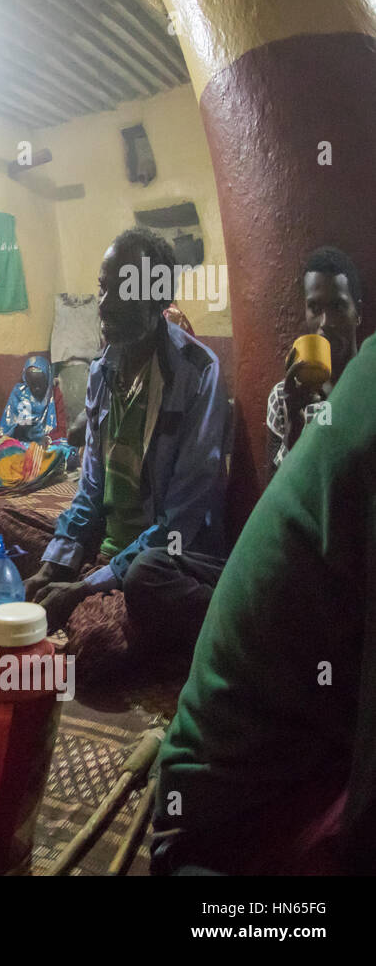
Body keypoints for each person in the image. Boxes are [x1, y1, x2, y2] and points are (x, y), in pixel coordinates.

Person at [153, 326, 376, 875]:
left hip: (299, 717)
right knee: (148, 572)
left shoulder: (348, 376)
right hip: (226, 830)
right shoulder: (288, 394)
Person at [0, 229, 231, 700]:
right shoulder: (103, 371)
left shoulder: (197, 373)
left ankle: (127, 609)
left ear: (157, 297)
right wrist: (56, 567)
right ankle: (108, 603)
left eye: (121, 290)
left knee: (100, 643)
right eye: (103, 287)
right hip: (106, 549)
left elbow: (181, 521)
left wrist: (83, 587)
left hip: (165, 559)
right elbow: (91, 491)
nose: (104, 304)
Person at [266, 246, 362, 474]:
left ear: (357, 312)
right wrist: (295, 430)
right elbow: (275, 497)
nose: (325, 321)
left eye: (338, 306)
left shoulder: (369, 387)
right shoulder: (284, 397)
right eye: (315, 308)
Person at [0, 354, 72, 495]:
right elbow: (6, 429)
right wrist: (20, 429)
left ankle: (32, 468)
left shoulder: (55, 394)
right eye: (32, 384)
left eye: (40, 384)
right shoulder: (19, 394)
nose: (36, 389)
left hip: (47, 443)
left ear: (48, 379)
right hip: (21, 443)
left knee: (67, 450)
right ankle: (38, 469)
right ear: (25, 380)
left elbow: (62, 429)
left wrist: (46, 439)